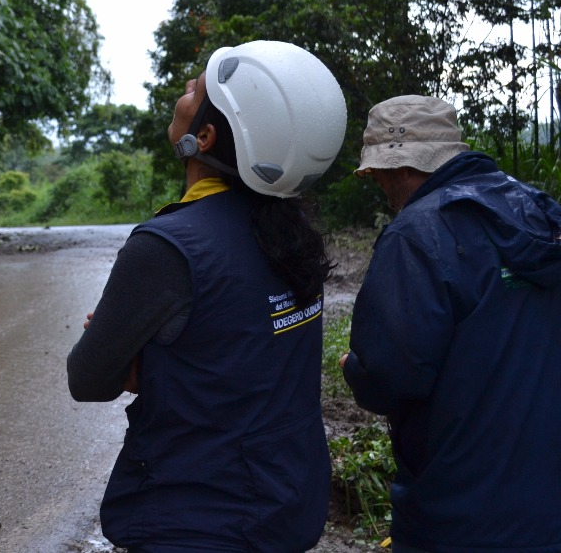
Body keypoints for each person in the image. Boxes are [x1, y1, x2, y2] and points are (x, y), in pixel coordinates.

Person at [68, 39, 347, 553]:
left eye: (198, 88)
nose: (188, 86)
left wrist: (145, 365)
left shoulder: (166, 247)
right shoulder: (293, 238)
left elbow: (87, 379)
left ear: (206, 136)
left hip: (196, 522)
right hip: (287, 505)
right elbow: (248, 355)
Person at [339, 95, 561, 553]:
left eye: (379, 176)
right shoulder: (541, 212)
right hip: (546, 507)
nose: (380, 187)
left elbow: (388, 378)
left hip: (456, 515)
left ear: (401, 167)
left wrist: (352, 368)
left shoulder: (417, 235)